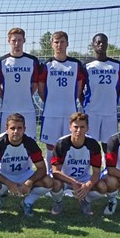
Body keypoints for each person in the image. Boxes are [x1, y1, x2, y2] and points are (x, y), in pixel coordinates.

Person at [0, 113, 52, 218]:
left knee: (48, 181)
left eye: (19, 128)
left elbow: (42, 168)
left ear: (24, 129)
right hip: (5, 175)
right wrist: (9, 183)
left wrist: (29, 182)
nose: (16, 131)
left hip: (23, 174)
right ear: (6, 129)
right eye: (12, 128)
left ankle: (27, 202)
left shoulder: (30, 143)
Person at [38, 31, 87, 167]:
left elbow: (79, 85)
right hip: (51, 112)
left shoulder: (75, 64)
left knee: (68, 143)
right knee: (50, 145)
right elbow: (41, 86)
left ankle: (66, 173)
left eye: (62, 42)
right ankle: (50, 172)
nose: (59, 45)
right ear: (52, 44)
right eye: (56, 42)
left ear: (67, 43)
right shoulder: (47, 65)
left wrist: (73, 99)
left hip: (69, 111)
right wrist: (47, 101)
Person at [48, 112, 106, 216]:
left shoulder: (93, 145)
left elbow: (96, 172)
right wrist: (73, 182)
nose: (79, 130)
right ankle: (58, 202)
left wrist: (87, 185)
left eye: (82, 127)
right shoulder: (62, 143)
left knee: (102, 187)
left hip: (84, 178)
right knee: (55, 183)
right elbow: (56, 171)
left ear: (87, 128)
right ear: (70, 127)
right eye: (76, 127)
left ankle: (86, 201)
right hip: (65, 178)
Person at [0, 28, 41, 139]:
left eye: (19, 40)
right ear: (9, 41)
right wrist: (6, 98)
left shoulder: (32, 61)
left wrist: (26, 96)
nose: (16, 43)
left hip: (27, 109)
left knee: (30, 141)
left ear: (24, 40)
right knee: (6, 140)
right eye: (14, 40)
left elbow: (35, 84)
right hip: (8, 109)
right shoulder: (1, 62)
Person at [83, 33, 120, 149]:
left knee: (109, 146)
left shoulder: (116, 65)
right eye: (98, 42)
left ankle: (108, 168)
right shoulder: (86, 66)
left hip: (110, 111)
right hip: (92, 112)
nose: (101, 45)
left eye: (103, 42)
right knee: (90, 145)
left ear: (107, 44)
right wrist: (86, 104)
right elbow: (80, 89)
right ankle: (91, 167)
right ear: (93, 45)